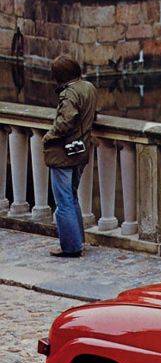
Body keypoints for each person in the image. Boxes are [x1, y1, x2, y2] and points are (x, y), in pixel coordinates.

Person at [43, 55, 97, 258]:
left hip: (64, 153)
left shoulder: (69, 93)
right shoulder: (88, 87)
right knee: (72, 197)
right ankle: (77, 241)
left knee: (63, 201)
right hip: (80, 149)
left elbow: (65, 122)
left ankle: (71, 247)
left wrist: (49, 136)